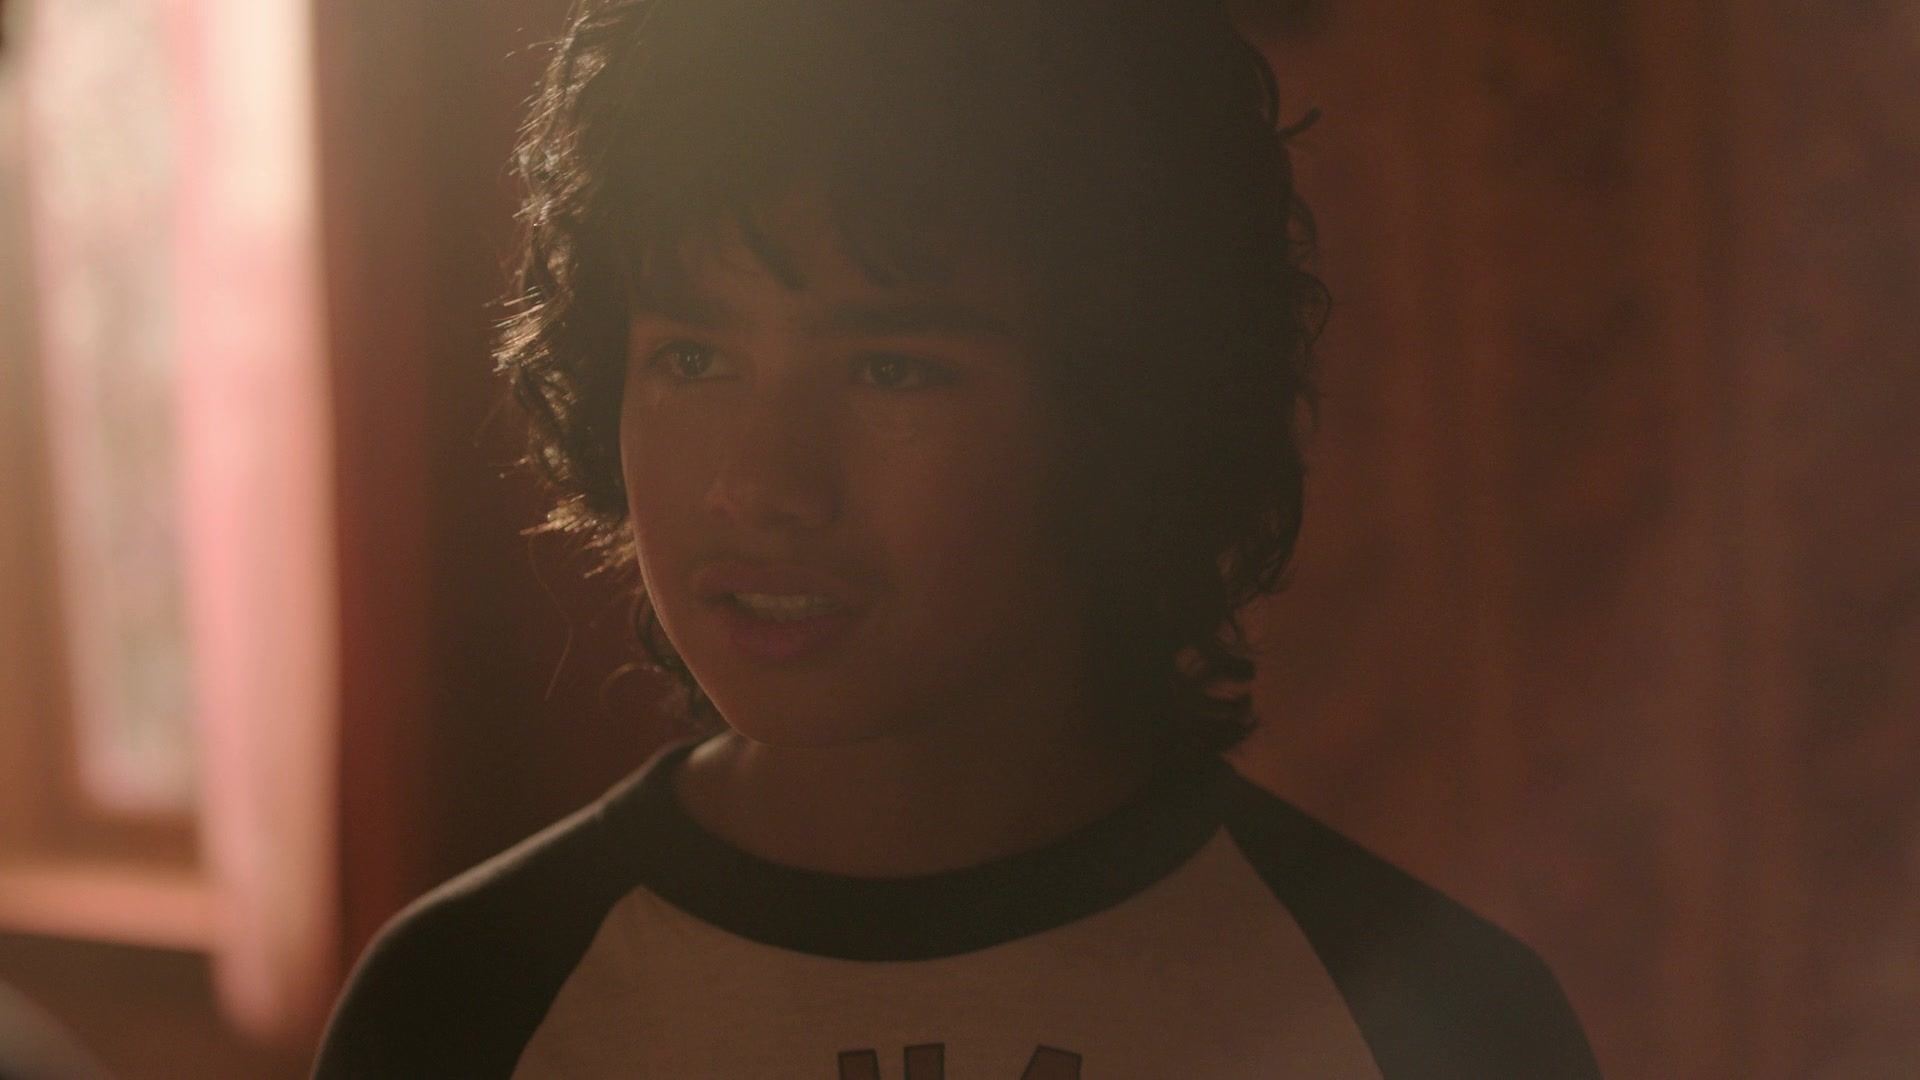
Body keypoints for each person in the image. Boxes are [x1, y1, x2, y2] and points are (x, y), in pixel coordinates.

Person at [316, 0, 1601, 1075]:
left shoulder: (1422, 1022)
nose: (760, 486)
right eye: (694, 358)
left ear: (1128, 411)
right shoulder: (469, 1002)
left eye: (891, 370)